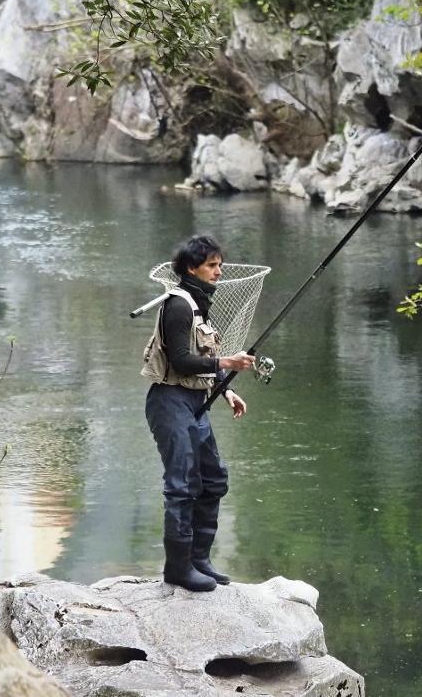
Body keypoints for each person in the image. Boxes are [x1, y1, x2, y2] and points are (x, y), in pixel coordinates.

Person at [144, 235, 254, 592]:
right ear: (191, 268)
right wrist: (226, 361)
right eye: (212, 266)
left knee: (214, 479)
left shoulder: (200, 301)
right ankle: (177, 568)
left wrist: (227, 390)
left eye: (220, 265)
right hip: (169, 402)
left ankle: (199, 560)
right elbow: (181, 359)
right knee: (182, 486)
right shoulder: (177, 305)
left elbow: (203, 351)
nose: (219, 272)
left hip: (195, 401)